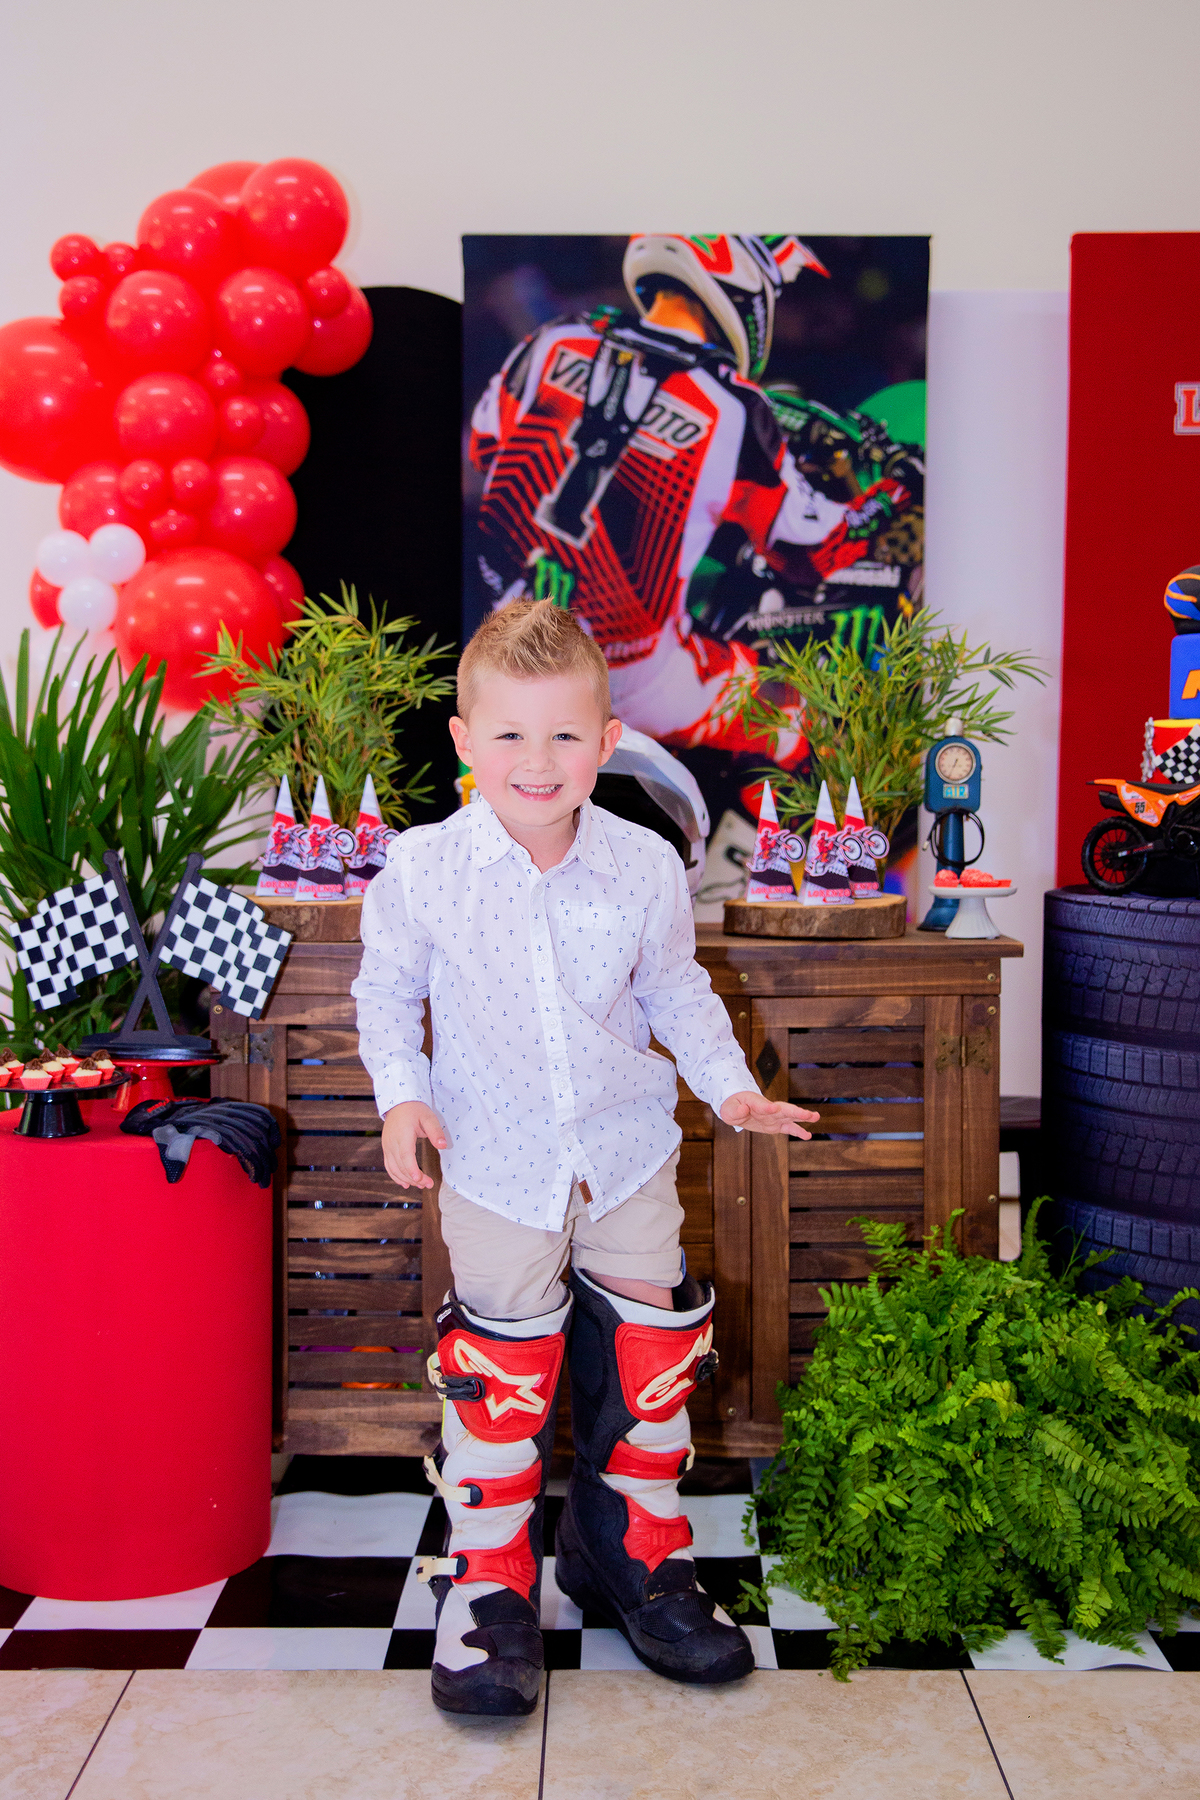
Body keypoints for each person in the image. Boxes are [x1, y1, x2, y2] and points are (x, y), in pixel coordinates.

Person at [351, 600, 818, 1716]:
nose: (539, 760)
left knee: (653, 1348)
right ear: (464, 743)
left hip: (625, 1150)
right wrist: (400, 1100)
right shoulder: (421, 870)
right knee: (501, 1381)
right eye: (510, 735)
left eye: (565, 735)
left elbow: (676, 992)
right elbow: (384, 995)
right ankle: (491, 1582)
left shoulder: (645, 866)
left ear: (608, 743)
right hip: (496, 1162)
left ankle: (631, 1555)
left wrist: (733, 1089)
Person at [468, 233, 912, 763]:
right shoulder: (733, 407)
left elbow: (484, 446)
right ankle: (759, 845)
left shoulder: (553, 340)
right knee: (804, 714)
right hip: (628, 680)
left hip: (510, 647)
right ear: (742, 284)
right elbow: (809, 552)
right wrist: (897, 488)